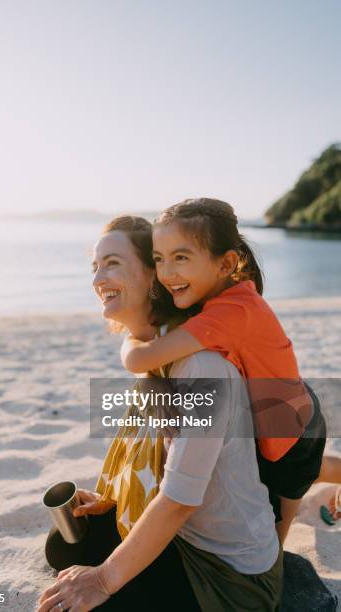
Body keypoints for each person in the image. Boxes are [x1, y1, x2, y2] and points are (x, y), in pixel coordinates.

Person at [37, 216, 283, 612]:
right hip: (185, 538)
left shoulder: (202, 371)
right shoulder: (156, 354)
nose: (99, 278)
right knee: (65, 546)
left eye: (113, 263)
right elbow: (159, 461)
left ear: (155, 277)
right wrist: (114, 497)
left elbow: (180, 500)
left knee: (91, 595)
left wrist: (102, 580)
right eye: (95, 266)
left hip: (229, 575)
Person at [120, 198, 341, 543]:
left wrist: (131, 336)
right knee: (312, 470)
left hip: (293, 436)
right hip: (290, 410)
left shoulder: (231, 313)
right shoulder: (226, 297)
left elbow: (139, 360)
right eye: (158, 259)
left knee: (275, 538)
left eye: (181, 257)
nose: (166, 273)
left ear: (226, 264)